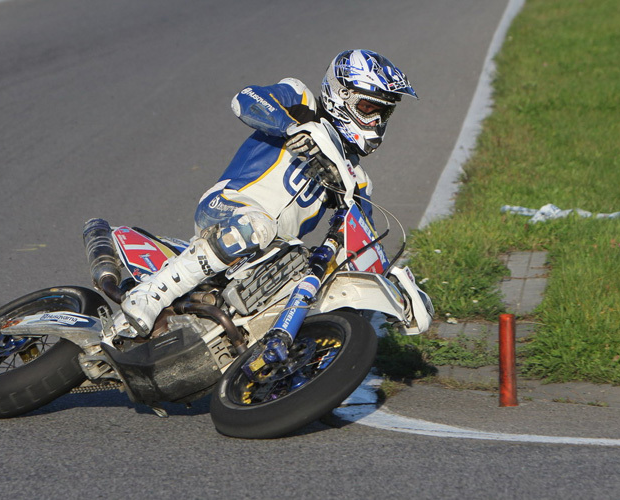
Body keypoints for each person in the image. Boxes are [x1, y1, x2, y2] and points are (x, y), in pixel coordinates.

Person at [120, 49, 417, 337]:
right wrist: (292, 127)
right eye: (369, 108)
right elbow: (245, 99)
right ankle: (150, 295)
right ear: (342, 95)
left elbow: (362, 242)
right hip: (228, 207)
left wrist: (393, 288)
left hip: (274, 247)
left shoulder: (355, 178)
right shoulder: (300, 99)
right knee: (258, 226)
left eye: (383, 112)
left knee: (309, 273)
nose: (377, 121)